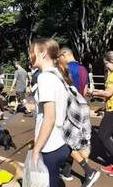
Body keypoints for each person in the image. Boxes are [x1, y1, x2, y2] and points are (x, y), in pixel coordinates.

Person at [29, 38, 71, 187]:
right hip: (62, 142)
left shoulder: (45, 78)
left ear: (43, 53)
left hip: (50, 146)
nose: (29, 55)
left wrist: (36, 150)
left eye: (31, 52)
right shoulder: (58, 74)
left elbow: (49, 118)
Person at [58, 47, 100, 186]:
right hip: (82, 105)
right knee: (81, 141)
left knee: (66, 139)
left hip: (70, 107)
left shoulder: (65, 68)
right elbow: (86, 91)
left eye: (60, 57)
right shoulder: (83, 68)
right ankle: (68, 171)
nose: (59, 60)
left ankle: (87, 172)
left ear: (64, 55)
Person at [89, 51, 113, 177]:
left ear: (112, 62)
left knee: (102, 135)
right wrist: (103, 108)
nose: (106, 66)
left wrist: (92, 92)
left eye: (107, 64)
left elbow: (108, 93)